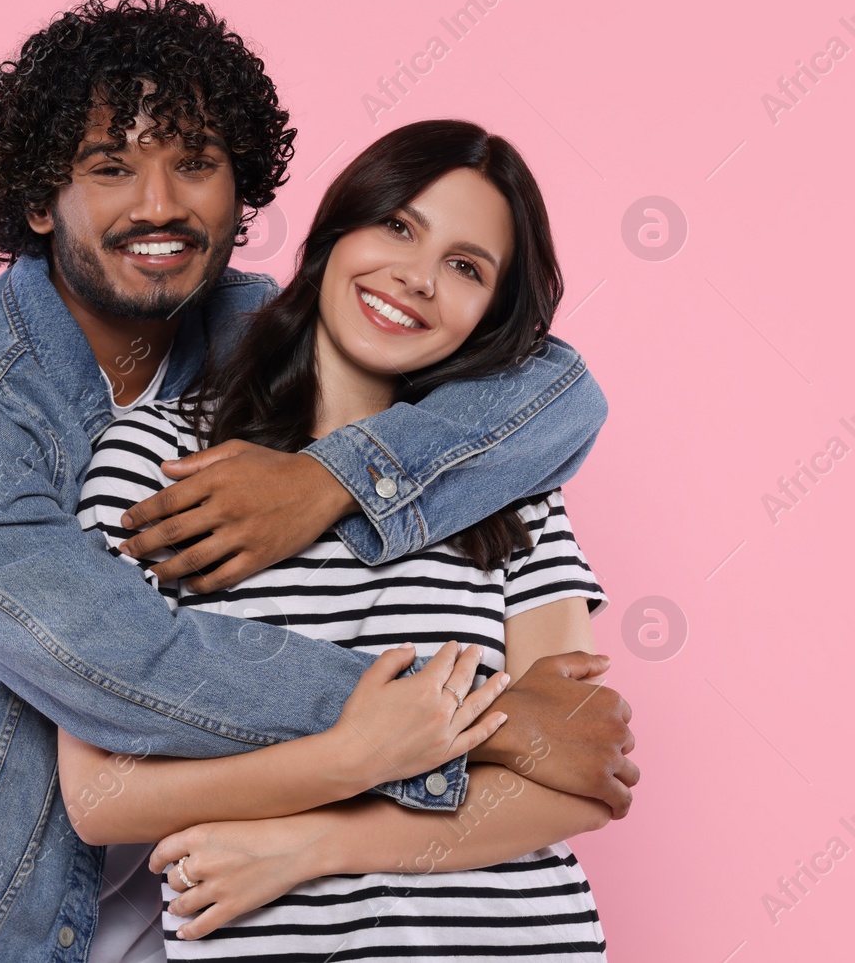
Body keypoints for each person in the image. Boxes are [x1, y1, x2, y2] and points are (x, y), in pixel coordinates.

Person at [0, 0, 636, 963]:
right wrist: (476, 719)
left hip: (190, 914)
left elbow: (558, 391)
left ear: (244, 192)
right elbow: (129, 666)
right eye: (110, 167)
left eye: (194, 163)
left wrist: (327, 483)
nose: (158, 204)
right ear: (35, 199)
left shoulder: (243, 332)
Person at [63, 118, 618, 959]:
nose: (418, 278)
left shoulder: (507, 485)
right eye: (398, 225)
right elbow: (101, 795)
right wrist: (354, 753)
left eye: (465, 267)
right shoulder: (154, 461)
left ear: (490, 312)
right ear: (336, 229)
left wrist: (317, 843)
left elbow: (583, 771)